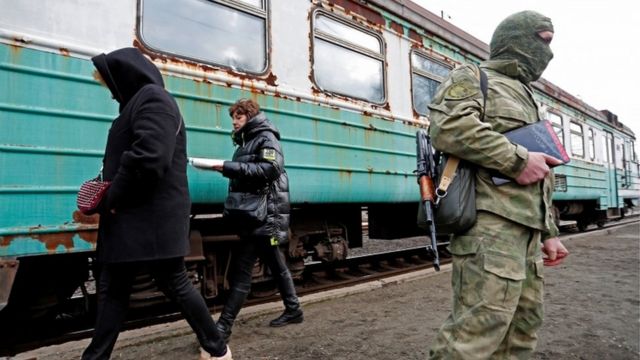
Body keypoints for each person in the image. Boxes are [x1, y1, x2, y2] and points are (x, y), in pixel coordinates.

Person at [426, 11, 569, 359]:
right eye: (542, 40)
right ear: (515, 37)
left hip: (528, 235)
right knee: (476, 333)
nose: (547, 52)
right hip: (491, 228)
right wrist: (517, 160)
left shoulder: (528, 96)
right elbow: (449, 128)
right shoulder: (473, 76)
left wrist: (548, 231)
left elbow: (540, 175)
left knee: (522, 330)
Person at [83, 47, 231, 360]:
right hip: (134, 216)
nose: (110, 92)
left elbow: (150, 158)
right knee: (114, 289)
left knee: (172, 282)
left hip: (148, 216)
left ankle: (217, 349)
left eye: (109, 83)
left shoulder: (153, 99)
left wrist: (111, 196)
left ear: (123, 76)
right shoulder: (139, 103)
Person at [210, 99, 303, 343]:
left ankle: (223, 328)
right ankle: (293, 310)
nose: (234, 121)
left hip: (264, 216)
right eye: (234, 117)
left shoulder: (266, 138)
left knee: (242, 271)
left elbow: (270, 169)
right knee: (277, 264)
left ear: (250, 117)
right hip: (256, 215)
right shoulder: (249, 140)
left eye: (238, 117)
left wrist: (228, 167)